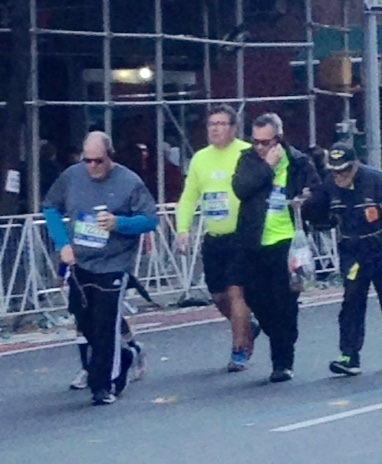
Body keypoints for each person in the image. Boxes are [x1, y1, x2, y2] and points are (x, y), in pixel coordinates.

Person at [43, 131, 157, 405]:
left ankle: (104, 384)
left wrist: (120, 224)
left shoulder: (129, 182)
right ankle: (126, 355)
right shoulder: (71, 176)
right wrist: (62, 244)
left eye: (98, 161)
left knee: (106, 324)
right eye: (87, 161)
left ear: (110, 157)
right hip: (80, 262)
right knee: (85, 322)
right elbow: (50, 208)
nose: (92, 166)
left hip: (114, 264)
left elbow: (150, 220)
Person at [303, 142, 382, 376]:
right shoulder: (329, 184)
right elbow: (325, 219)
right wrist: (311, 209)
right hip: (353, 249)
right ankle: (349, 355)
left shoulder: (376, 179)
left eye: (344, 170)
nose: (339, 175)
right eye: (335, 170)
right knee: (351, 299)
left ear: (356, 165)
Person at [232, 113, 320, 383]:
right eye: (255, 141)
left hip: (286, 242)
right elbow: (241, 188)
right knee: (255, 298)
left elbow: (317, 193)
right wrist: (266, 167)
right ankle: (280, 334)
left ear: (278, 139)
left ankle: (282, 361)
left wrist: (306, 200)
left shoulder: (298, 161)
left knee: (284, 302)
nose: (259, 147)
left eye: (265, 142)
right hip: (254, 241)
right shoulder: (249, 160)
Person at [176, 104, 259, 372]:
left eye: (222, 124)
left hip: (241, 236)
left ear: (234, 128)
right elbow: (189, 197)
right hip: (214, 237)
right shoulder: (200, 158)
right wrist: (182, 229)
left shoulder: (247, 153)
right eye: (212, 124)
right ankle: (247, 327)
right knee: (219, 297)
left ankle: (239, 350)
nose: (216, 128)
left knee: (237, 293)